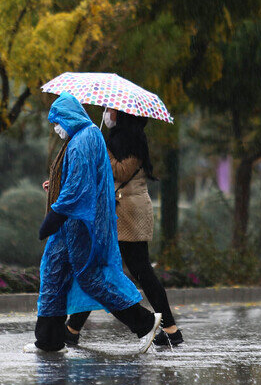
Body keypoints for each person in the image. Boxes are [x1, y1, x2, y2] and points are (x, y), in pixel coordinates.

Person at [33, 92, 161, 354]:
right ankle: (49, 339)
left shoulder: (82, 141)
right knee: (53, 273)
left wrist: (54, 216)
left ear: (67, 117)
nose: (56, 127)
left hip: (81, 224)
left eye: (57, 121)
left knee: (91, 278)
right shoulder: (84, 136)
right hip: (72, 224)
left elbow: (77, 189)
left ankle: (145, 322)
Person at [64, 109, 183, 347]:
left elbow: (119, 171)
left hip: (128, 212)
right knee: (112, 269)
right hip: (123, 210)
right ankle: (170, 329)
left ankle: (73, 328)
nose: (107, 113)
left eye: (110, 110)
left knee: (108, 269)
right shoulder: (121, 137)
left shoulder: (132, 139)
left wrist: (101, 146)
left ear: (123, 114)